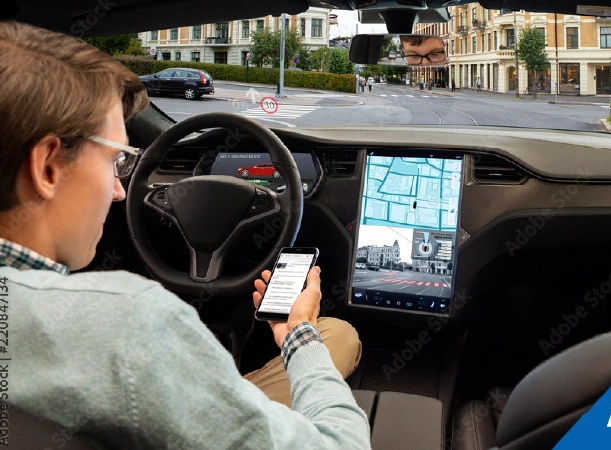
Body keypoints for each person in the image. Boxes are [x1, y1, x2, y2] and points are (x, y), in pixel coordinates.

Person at [0, 21, 370, 449]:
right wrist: (297, 332)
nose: (121, 190)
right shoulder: (129, 319)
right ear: (46, 168)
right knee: (337, 335)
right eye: (116, 161)